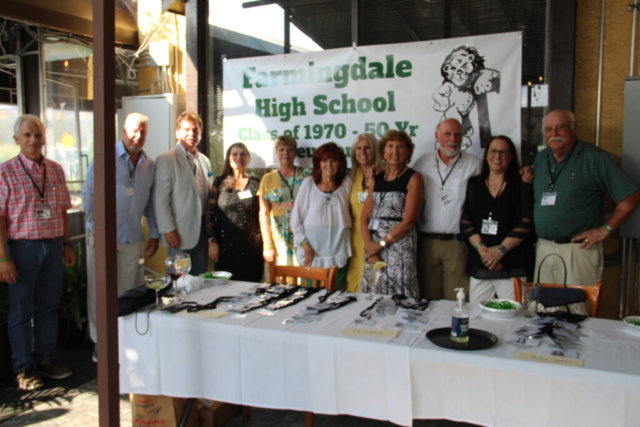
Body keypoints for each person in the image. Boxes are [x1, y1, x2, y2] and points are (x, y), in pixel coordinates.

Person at [0, 115, 76, 390]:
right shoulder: (5, 172)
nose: (33, 140)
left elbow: (63, 210)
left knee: (48, 308)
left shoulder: (55, 170)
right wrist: (3, 257)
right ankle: (24, 368)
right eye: (27, 135)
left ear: (44, 138)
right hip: (22, 249)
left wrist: (66, 244)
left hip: (53, 246)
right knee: (21, 311)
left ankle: (45, 359)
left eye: (38, 135)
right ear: (17, 139)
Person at [533, 109, 640, 285]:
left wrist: (605, 230)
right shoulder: (541, 159)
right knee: (543, 302)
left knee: (577, 302)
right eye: (549, 129)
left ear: (575, 128)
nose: (554, 133)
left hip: (578, 249)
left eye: (561, 127)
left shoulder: (596, 159)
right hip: (544, 247)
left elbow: (631, 195)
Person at [83, 112, 160, 356]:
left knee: (128, 291)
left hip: (131, 238)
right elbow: (89, 197)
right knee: (100, 291)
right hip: (102, 238)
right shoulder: (104, 158)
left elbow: (150, 204)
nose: (138, 135)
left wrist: (155, 233)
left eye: (143, 131)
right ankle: (101, 343)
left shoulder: (149, 165)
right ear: (123, 131)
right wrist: (97, 230)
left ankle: (124, 344)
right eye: (134, 130)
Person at [413, 119, 481, 300]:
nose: (453, 139)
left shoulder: (474, 165)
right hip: (427, 243)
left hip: (458, 245)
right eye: (447, 134)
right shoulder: (422, 163)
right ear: (437, 137)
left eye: (457, 134)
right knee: (428, 300)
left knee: (456, 300)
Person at [460, 136, 534, 302]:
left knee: (512, 313)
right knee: (477, 313)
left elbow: (526, 222)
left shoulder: (522, 183)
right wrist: (484, 251)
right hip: (482, 261)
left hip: (512, 262)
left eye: (503, 152)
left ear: (511, 156)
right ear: (486, 155)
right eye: (493, 151)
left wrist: (500, 251)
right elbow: (466, 221)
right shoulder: (474, 183)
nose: (497, 156)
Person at [361, 130, 423, 297]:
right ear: (383, 151)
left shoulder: (413, 178)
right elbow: (364, 218)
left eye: (400, 147)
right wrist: (370, 247)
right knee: (372, 295)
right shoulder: (377, 178)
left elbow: (408, 222)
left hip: (399, 248)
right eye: (390, 146)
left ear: (408, 152)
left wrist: (380, 244)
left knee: (400, 298)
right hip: (374, 250)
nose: (394, 151)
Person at [154, 111, 212, 276]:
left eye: (195, 130)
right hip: (179, 235)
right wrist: (168, 230)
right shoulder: (166, 160)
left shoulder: (205, 161)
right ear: (177, 132)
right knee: (179, 283)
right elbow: (160, 200)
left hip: (202, 236)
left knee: (200, 282)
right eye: (186, 129)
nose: (191, 134)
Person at [291, 142, 352, 289]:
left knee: (335, 297)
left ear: (340, 164)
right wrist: (306, 246)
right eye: (324, 160)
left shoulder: (347, 183)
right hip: (312, 254)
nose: (329, 164)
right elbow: (295, 220)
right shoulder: (309, 184)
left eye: (333, 160)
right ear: (318, 163)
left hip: (338, 253)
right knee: (310, 296)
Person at [206, 143, 263, 282]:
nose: (239, 157)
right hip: (225, 249)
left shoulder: (256, 183)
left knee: (251, 288)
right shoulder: (219, 182)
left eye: (243, 154)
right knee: (226, 289)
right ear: (228, 158)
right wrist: (212, 242)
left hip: (252, 249)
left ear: (248, 158)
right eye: (235, 154)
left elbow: (262, 215)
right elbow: (209, 215)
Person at [258, 135, 310, 268]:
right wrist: (267, 245)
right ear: (276, 153)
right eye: (281, 149)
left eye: (290, 149)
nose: (285, 153)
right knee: (280, 277)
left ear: (295, 153)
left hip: (305, 236)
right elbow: (263, 213)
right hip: (279, 240)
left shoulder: (307, 176)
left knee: (304, 274)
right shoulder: (267, 179)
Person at [345, 133, 382, 292]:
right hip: (356, 237)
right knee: (355, 279)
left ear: (375, 151)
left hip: (379, 236)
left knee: (376, 279)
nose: (362, 152)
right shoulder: (352, 176)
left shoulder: (384, 174)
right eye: (359, 148)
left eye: (367, 148)